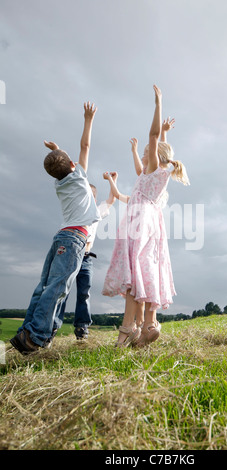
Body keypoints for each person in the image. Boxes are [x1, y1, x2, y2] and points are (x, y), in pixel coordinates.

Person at [102, 85, 189, 348]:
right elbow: (154, 149)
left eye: (146, 153)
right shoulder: (157, 175)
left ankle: (129, 328)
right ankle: (147, 324)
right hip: (151, 221)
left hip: (139, 221)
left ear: (155, 156)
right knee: (145, 268)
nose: (143, 157)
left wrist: (158, 103)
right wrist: (163, 134)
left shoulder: (154, 168)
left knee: (134, 269)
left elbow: (152, 138)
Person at [10, 101, 98, 354]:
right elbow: (85, 146)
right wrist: (88, 119)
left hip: (61, 237)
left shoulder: (60, 184)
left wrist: (56, 151)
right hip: (74, 240)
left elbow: (62, 165)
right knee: (58, 288)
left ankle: (27, 331)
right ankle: (35, 336)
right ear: (72, 166)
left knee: (44, 286)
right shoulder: (80, 178)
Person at [50, 175, 117, 342]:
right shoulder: (75, 209)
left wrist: (112, 181)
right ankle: (53, 326)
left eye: (90, 197)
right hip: (70, 254)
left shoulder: (96, 211)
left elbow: (111, 200)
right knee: (62, 291)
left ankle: (82, 327)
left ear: (93, 199)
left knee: (84, 292)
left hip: (86, 258)